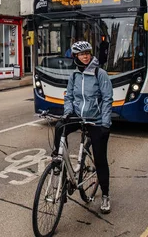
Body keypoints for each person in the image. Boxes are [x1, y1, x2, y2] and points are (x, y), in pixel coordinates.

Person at [53, 41, 113, 214]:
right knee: (59, 126)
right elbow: (69, 97)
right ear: (76, 57)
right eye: (81, 54)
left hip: (96, 120)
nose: (85, 56)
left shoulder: (99, 73)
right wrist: (68, 113)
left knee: (100, 159)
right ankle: (58, 162)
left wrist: (105, 124)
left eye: (87, 53)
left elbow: (108, 99)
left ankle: (106, 195)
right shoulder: (74, 76)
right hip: (78, 116)